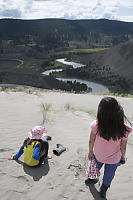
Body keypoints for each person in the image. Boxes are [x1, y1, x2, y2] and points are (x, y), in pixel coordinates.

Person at [85, 97, 132, 199]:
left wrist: (90, 152)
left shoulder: (96, 125)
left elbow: (91, 141)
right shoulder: (124, 129)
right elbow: (123, 147)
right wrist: (122, 157)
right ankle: (103, 190)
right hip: (114, 159)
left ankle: (91, 179)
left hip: (99, 155)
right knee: (109, 174)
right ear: (117, 111)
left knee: (95, 167)